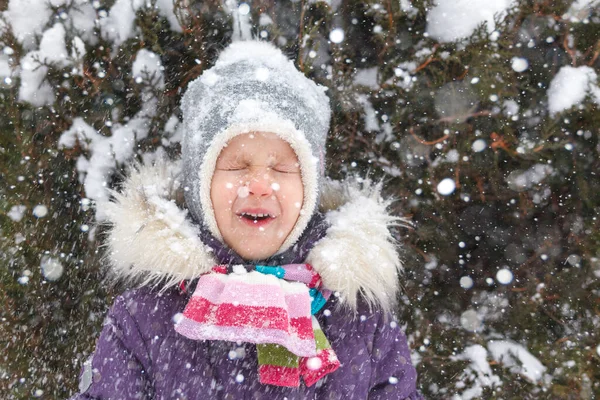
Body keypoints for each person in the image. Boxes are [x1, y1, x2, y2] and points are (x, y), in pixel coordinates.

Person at [71, 40, 422, 399]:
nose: (258, 185)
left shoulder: (361, 321)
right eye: (236, 165)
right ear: (199, 185)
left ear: (310, 188)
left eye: (282, 167)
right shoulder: (143, 320)